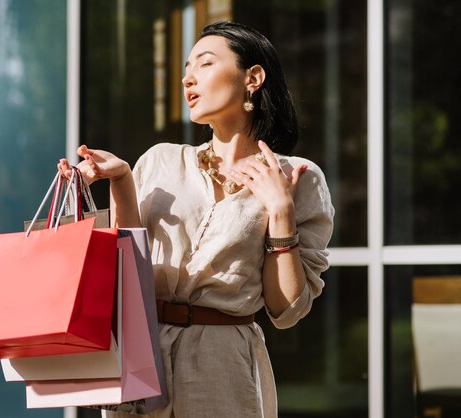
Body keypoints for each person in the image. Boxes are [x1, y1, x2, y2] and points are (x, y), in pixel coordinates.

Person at [58, 21, 334, 418]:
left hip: (224, 366)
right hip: (141, 358)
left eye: (205, 64)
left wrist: (280, 212)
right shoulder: (162, 160)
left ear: (253, 77)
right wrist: (120, 180)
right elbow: (129, 268)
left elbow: (286, 309)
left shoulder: (298, 177)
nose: (188, 77)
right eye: (186, 67)